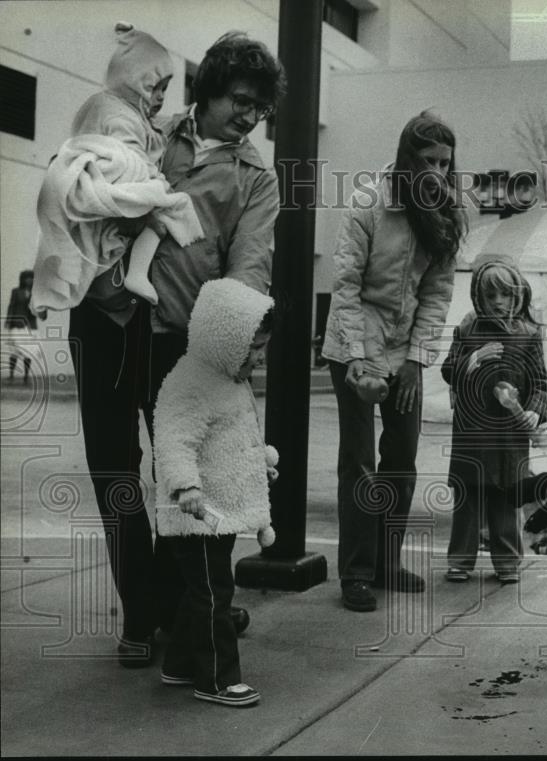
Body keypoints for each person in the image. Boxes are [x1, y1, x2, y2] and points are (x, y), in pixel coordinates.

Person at [66, 30, 285, 666]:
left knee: (183, 482)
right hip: (106, 323)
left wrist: (232, 343)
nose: (249, 116)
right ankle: (147, 612)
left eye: (259, 108)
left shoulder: (255, 179)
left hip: (178, 340)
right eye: (241, 100)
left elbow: (249, 269)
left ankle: (172, 607)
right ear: (210, 89)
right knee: (113, 471)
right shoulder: (151, 130)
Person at [321, 111, 467, 612]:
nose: (438, 172)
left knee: (401, 459)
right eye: (428, 161)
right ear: (407, 158)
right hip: (354, 344)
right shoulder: (367, 203)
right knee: (359, 463)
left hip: (404, 351)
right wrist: (360, 362)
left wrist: (416, 361)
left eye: (446, 163)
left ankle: (387, 560)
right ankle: (356, 572)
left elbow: (437, 292)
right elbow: (344, 288)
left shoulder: (444, 213)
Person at [154, 278, 276, 707]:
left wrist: (256, 462)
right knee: (213, 594)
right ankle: (218, 678)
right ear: (224, 339)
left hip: (215, 511)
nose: (259, 358)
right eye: (253, 349)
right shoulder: (190, 381)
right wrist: (185, 485)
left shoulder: (229, 380)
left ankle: (180, 664)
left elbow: (233, 438)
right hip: (196, 512)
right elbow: (173, 437)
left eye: (262, 349)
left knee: (201, 591)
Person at [30, 22, 204, 314]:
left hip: (109, 188)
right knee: (167, 209)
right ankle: (136, 272)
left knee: (160, 207)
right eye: (155, 87)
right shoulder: (113, 110)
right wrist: (149, 179)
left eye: (165, 89)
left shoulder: (127, 111)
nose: (161, 97)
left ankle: (132, 272)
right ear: (136, 81)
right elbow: (122, 155)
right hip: (107, 177)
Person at [441, 256, 547, 584]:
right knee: (467, 502)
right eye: (491, 296)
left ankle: (507, 562)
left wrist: (535, 408)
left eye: (505, 294)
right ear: (478, 296)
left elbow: (540, 383)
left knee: (506, 500)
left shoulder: (529, 333)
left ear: (518, 295)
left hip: (510, 436)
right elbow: (449, 371)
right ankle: (460, 561)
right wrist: (473, 359)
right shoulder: (467, 328)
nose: (498, 302)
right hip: (471, 433)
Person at [5, 270, 44, 384]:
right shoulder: (16, 291)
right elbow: (11, 306)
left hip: (30, 327)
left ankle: (26, 377)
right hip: (17, 325)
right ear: (22, 279)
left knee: (29, 351)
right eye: (26, 278)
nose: (29, 280)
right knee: (14, 350)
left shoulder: (36, 293)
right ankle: (11, 376)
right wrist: (8, 320)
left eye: (31, 278)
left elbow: (39, 309)